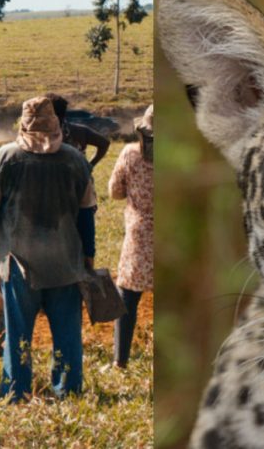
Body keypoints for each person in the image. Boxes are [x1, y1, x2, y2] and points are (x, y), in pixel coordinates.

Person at [0, 94, 96, 401]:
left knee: (18, 334)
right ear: (57, 124)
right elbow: (87, 215)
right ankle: (68, 391)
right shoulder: (76, 160)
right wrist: (89, 255)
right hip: (66, 263)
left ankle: (16, 392)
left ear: (23, 125)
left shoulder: (4, 158)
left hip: (19, 263)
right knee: (67, 334)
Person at [108, 104, 154, 368]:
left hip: (139, 234)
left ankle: (120, 360)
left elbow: (115, 191)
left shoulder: (130, 154)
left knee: (127, 296)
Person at [55, 97, 110, 168]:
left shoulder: (41, 134)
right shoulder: (80, 131)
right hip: (78, 175)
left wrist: (90, 167)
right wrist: (90, 167)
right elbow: (104, 143)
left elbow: (104, 143)